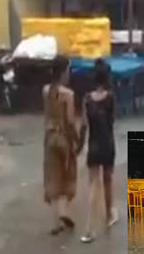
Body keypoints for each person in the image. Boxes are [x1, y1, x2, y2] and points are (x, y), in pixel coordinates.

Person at [80, 59, 119, 243]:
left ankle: (88, 229)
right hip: (108, 144)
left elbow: (84, 125)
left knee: (93, 185)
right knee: (108, 180)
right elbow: (112, 122)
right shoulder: (111, 97)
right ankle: (109, 215)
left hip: (93, 145)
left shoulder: (86, 99)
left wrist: (80, 145)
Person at [43, 56, 80, 235]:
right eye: (68, 70)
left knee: (53, 177)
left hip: (49, 138)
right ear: (64, 72)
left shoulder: (45, 91)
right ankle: (64, 211)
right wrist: (77, 141)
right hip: (64, 139)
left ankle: (54, 222)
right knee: (68, 175)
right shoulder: (68, 94)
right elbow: (71, 122)